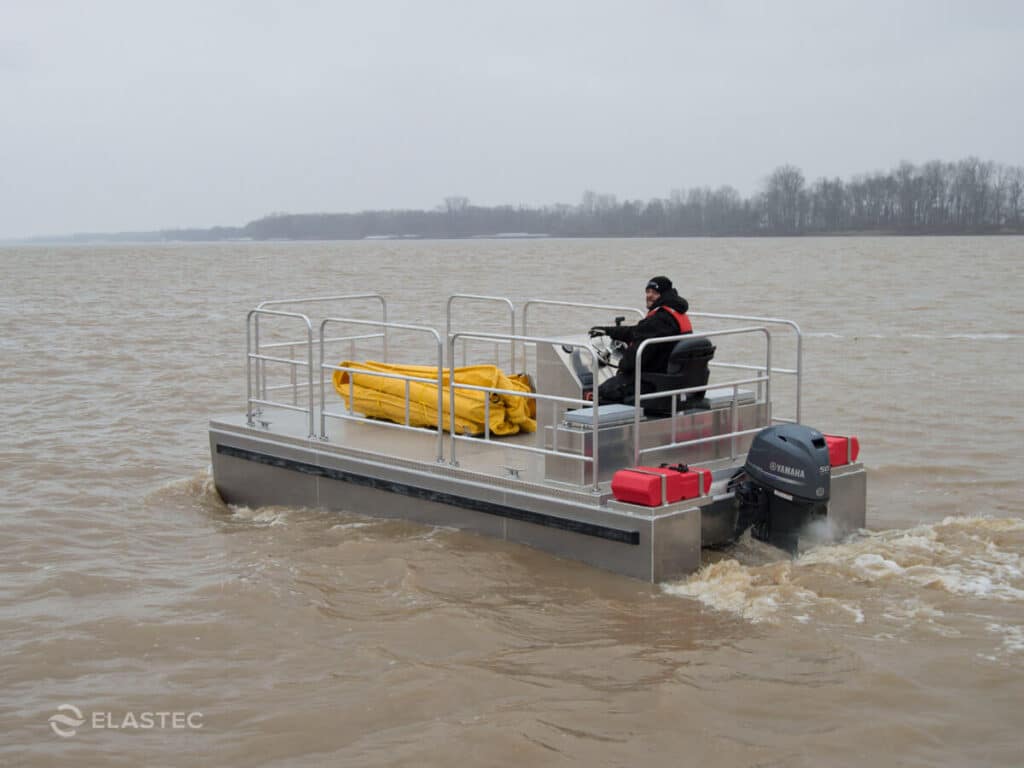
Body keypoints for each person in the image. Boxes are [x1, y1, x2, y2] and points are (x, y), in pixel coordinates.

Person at [588, 275, 692, 403]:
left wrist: (621, 367)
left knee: (601, 392)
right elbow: (638, 331)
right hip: (674, 379)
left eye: (655, 293)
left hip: (652, 381)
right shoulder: (676, 314)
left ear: (664, 294)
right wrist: (609, 331)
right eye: (648, 291)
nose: (649, 295)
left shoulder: (658, 320)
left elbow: (635, 358)